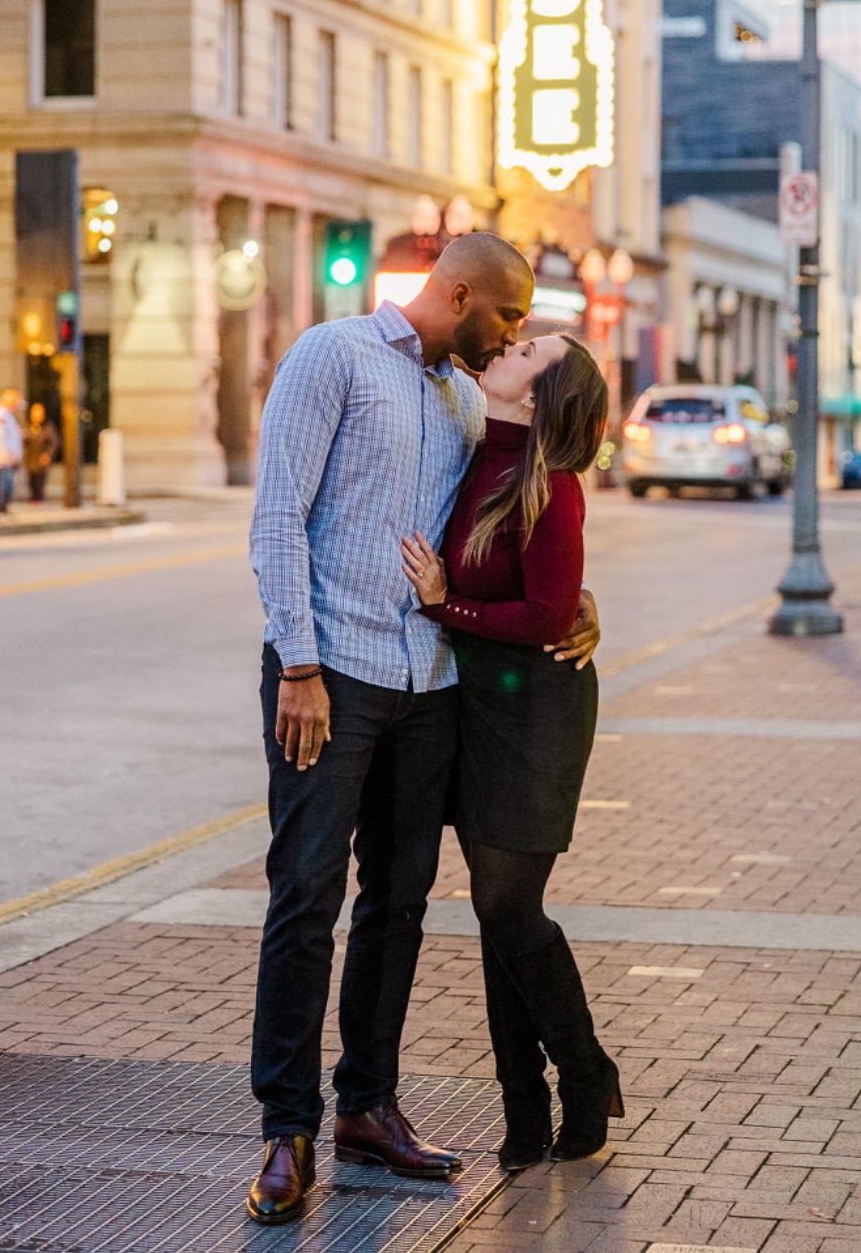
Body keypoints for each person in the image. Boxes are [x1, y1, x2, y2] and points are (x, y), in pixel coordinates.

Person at [243, 235, 602, 1226]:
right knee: (305, 893)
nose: (516, 333)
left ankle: (366, 1106)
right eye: (509, 314)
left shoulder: (460, 399)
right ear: (455, 292)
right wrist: (300, 664)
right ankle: (286, 1126)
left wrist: (576, 601)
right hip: (334, 676)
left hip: (430, 684)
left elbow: (513, 525)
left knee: (398, 901)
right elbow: (278, 517)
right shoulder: (331, 356)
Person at [399, 333, 622, 1174]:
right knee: (497, 915)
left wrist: (442, 606)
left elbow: (545, 617)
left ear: (535, 398)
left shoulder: (550, 487)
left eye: (527, 349)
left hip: (539, 715)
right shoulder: (473, 445)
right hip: (480, 709)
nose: (507, 346)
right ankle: (523, 1111)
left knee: (507, 908)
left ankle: (585, 1071)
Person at [24, 402, 60, 504]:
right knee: (32, 480)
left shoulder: (48, 427)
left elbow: (54, 442)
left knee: (40, 479)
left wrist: (48, 454)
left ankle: (38, 499)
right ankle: (33, 499)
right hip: (31, 458)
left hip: (41, 458)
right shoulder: (29, 426)